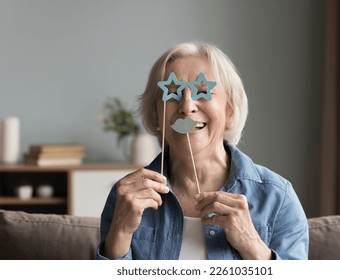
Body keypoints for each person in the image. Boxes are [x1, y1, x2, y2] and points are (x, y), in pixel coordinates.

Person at [96, 41, 308, 260]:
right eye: (172, 93)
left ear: (230, 111)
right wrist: (120, 233)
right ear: (156, 115)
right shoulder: (126, 196)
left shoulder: (277, 198)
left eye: (203, 91)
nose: (187, 106)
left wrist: (252, 245)